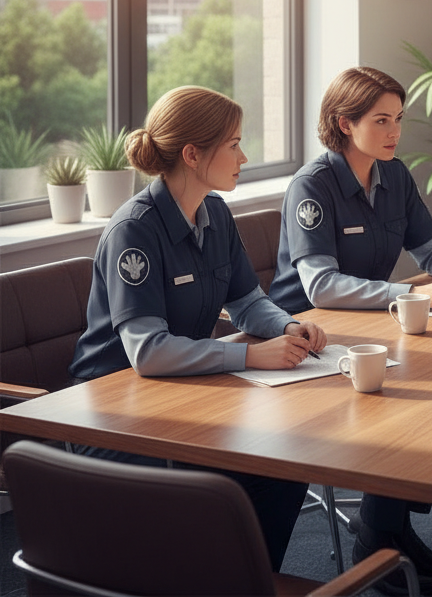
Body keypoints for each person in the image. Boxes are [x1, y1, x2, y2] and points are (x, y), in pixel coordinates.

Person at [269, 66, 432, 596]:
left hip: (372, 327)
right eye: (381, 120)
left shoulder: (394, 175)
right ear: (344, 123)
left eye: (398, 119)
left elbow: (430, 245)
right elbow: (320, 286)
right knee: (406, 408)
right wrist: (409, 295)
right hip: (310, 341)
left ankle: (391, 531)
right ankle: (378, 540)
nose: (394, 132)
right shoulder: (312, 185)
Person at [68, 86, 326, 572]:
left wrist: (288, 324)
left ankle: (246, 580)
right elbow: (148, 352)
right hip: (114, 416)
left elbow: (247, 301)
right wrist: (252, 355)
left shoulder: (216, 213)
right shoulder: (134, 230)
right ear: (192, 154)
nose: (244, 157)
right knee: (222, 479)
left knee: (285, 464)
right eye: (234, 145)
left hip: (182, 395)